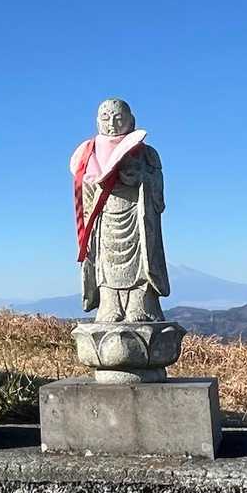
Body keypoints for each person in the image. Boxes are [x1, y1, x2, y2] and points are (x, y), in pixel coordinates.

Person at [70, 98, 169, 324]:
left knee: (141, 262)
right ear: (97, 122)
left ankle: (141, 304)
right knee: (105, 264)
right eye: (106, 118)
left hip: (137, 217)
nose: (112, 124)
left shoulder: (146, 153)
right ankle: (109, 304)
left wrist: (140, 177)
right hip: (104, 218)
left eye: (119, 118)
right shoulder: (89, 153)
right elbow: (84, 194)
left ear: (131, 121)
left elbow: (158, 190)